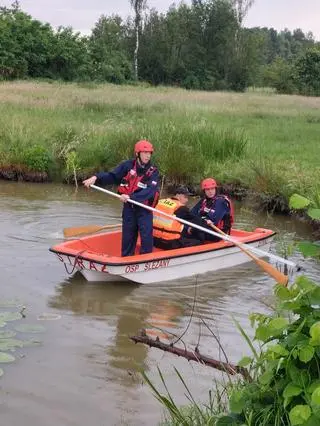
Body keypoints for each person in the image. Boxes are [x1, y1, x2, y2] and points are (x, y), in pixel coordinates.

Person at [83, 140, 159, 257]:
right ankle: (126, 260)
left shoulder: (153, 172)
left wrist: (130, 197)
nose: (148, 156)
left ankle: (145, 262)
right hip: (129, 209)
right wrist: (96, 177)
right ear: (137, 154)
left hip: (144, 210)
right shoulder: (127, 166)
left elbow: (150, 191)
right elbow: (112, 176)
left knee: (146, 239)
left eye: (149, 153)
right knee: (128, 238)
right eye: (144, 153)